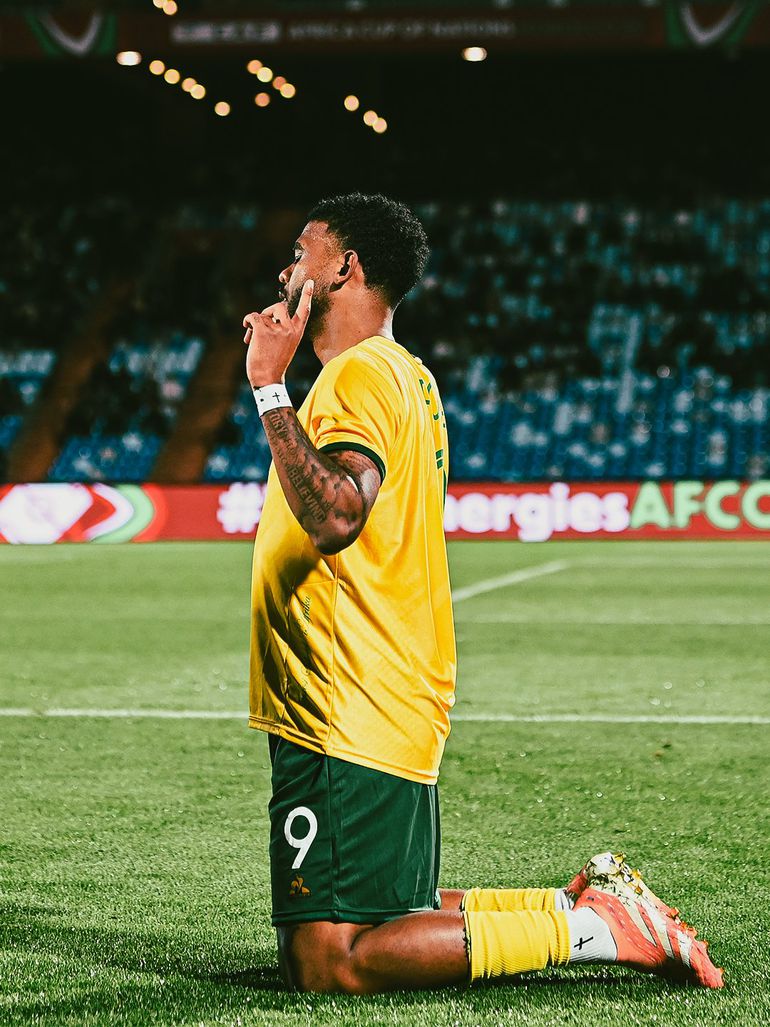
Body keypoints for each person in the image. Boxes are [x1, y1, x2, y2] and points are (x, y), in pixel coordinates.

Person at [241, 193, 723, 994]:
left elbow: (337, 516)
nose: (286, 269)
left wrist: (268, 385)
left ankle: (594, 931)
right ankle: (585, 907)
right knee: (389, 908)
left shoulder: (357, 375)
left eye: (301, 252)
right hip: (381, 688)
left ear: (345, 268)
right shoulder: (407, 374)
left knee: (331, 958)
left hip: (345, 696)